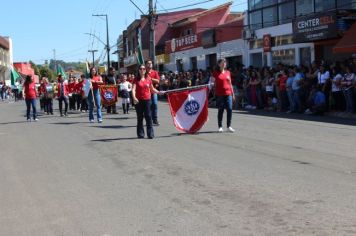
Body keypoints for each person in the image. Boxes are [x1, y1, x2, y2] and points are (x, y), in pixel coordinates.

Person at [132, 65, 161, 139]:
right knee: (140, 117)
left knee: (148, 117)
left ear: (145, 70)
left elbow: (152, 89)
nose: (142, 70)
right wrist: (134, 97)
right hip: (138, 101)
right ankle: (140, 134)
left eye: (144, 69)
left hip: (147, 100)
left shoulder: (148, 78)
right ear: (138, 70)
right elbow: (133, 90)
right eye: (141, 69)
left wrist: (159, 92)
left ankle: (150, 134)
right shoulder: (136, 79)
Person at [210, 58, 235, 133]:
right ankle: (220, 126)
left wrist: (233, 94)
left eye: (225, 62)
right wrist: (210, 86)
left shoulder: (228, 72)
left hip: (228, 93)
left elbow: (230, 84)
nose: (224, 63)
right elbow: (211, 82)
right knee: (221, 110)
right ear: (219, 64)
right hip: (219, 94)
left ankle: (229, 126)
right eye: (222, 62)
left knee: (229, 109)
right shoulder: (215, 73)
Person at [146, 59, 160, 125]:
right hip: (146, 91)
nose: (150, 64)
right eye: (148, 63)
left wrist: (151, 79)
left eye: (151, 63)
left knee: (154, 104)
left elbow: (157, 81)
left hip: (153, 91)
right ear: (146, 65)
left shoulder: (155, 72)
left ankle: (155, 119)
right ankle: (149, 119)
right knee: (149, 106)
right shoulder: (144, 72)